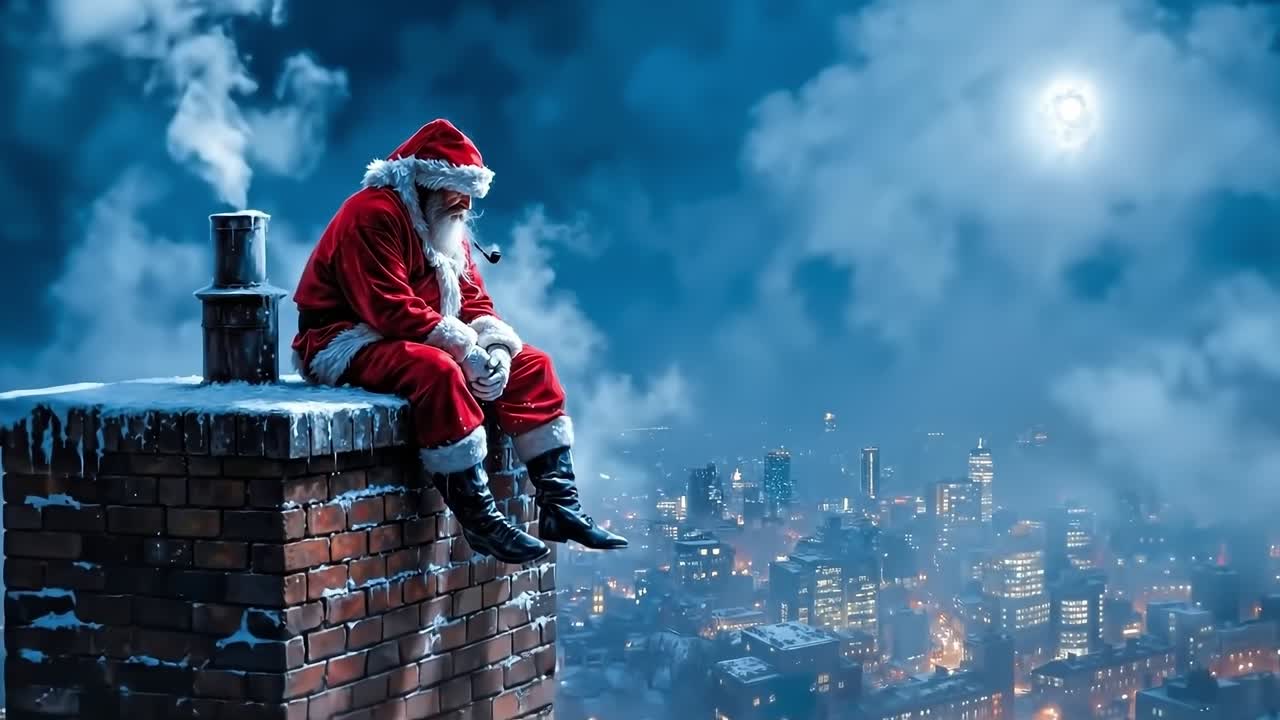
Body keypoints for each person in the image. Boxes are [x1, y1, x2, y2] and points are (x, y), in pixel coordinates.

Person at [291, 119, 627, 563]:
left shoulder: (446, 225)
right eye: (456, 191)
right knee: (436, 373)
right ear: (424, 183)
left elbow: (473, 301)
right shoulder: (371, 216)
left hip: (420, 335)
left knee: (535, 366)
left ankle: (560, 506)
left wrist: (496, 352)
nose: (466, 205)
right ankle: (480, 520)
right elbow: (387, 306)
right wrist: (465, 353)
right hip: (346, 339)